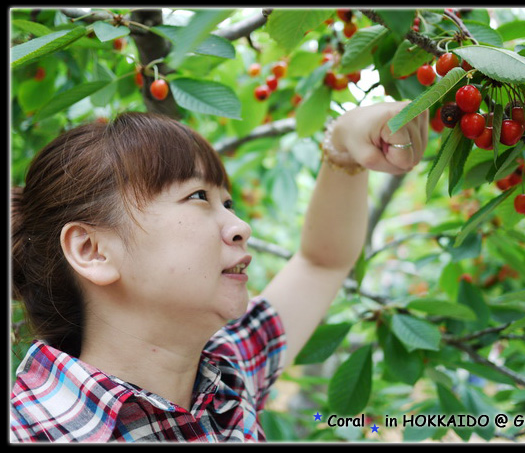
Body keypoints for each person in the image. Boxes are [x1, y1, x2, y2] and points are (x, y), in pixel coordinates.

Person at [10, 102, 428, 442]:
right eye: (197, 197)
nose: (240, 226)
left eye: (227, 204)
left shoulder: (227, 382)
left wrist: (343, 145)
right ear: (93, 250)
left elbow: (322, 261)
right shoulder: (30, 432)